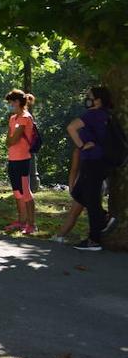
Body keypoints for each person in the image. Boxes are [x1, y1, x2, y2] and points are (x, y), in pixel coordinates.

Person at [65, 86, 119, 251]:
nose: (86, 99)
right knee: (80, 193)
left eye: (89, 97)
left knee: (91, 198)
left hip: (93, 161)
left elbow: (71, 127)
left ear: (98, 100)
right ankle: (103, 218)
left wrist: (81, 146)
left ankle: (94, 239)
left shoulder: (93, 114)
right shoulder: (106, 115)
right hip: (102, 161)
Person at [2, 89, 37, 234]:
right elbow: (8, 141)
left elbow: (13, 139)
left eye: (11, 102)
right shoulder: (13, 118)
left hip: (23, 159)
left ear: (17, 102)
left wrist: (10, 140)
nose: (10, 104)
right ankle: (21, 221)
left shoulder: (25, 117)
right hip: (13, 159)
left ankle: (32, 224)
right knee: (17, 192)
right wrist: (10, 140)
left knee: (25, 192)